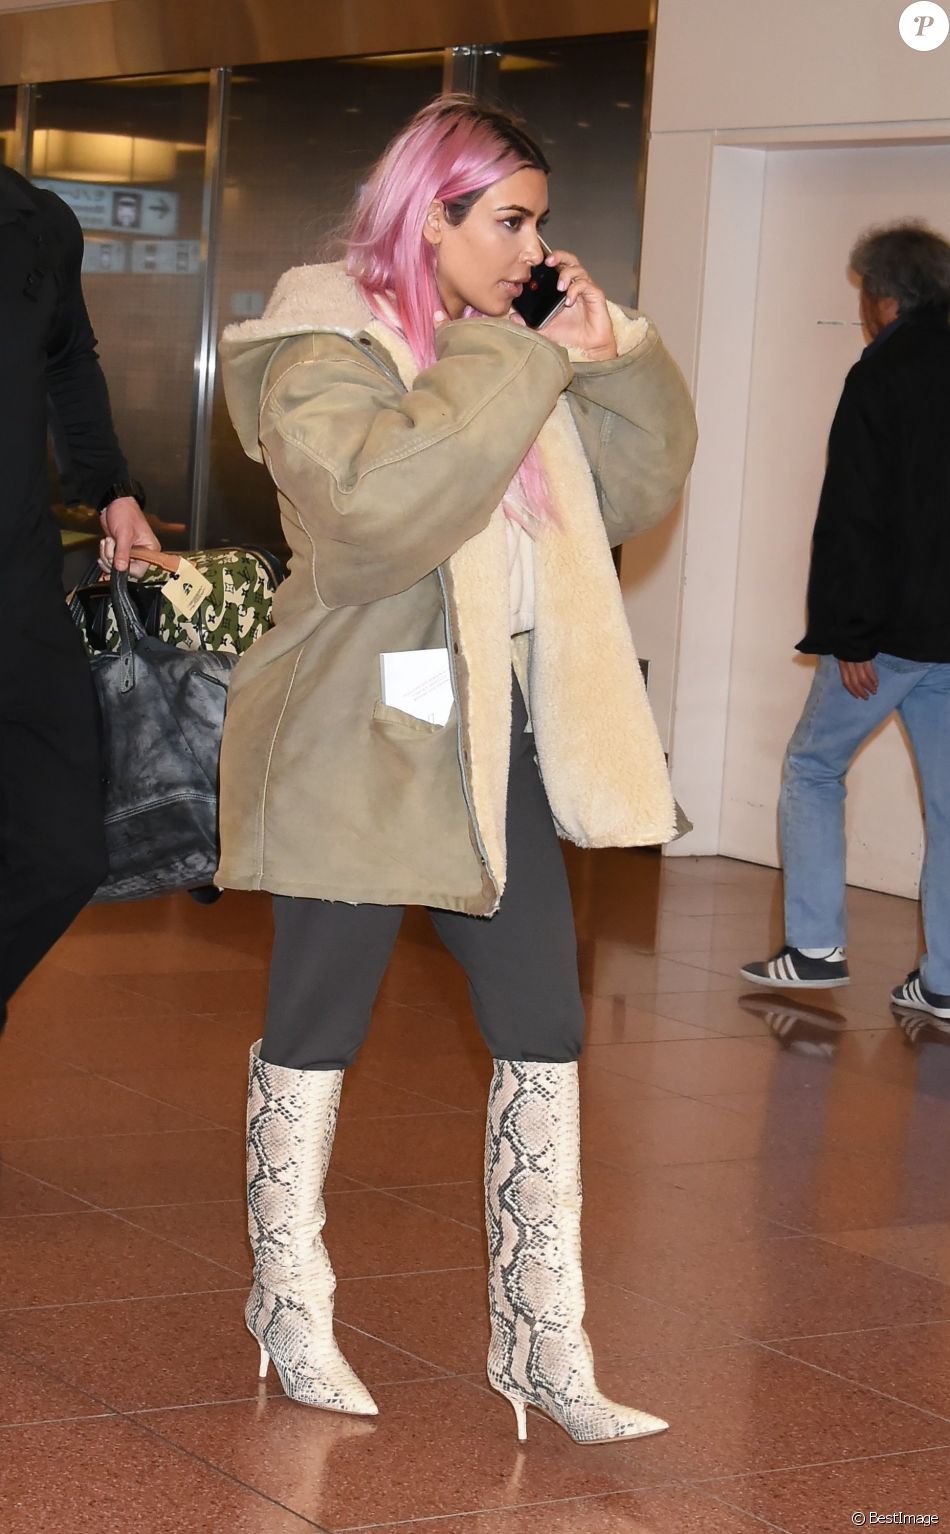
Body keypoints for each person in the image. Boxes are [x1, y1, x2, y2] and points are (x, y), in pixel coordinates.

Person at [218, 96, 697, 1443]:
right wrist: (521, 362)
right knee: (319, 1025)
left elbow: (636, 487)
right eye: (507, 220)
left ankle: (546, 1343)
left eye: (538, 221)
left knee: (542, 1026)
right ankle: (290, 1300)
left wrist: (606, 355)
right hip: (366, 731)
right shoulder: (319, 342)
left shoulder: (509, 349)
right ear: (428, 214)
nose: (529, 246)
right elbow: (376, 512)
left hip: (500, 730)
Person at [742, 222, 950, 1020]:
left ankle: (815, 949)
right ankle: (941, 981)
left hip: (888, 637)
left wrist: (848, 633)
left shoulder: (882, 372)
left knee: (812, 769)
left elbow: (855, 514)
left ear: (884, 297)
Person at [0, 165, 157, 1027]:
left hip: (19, 589)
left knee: (65, 852)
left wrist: (110, 488)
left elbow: (69, 361)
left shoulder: (39, 222)